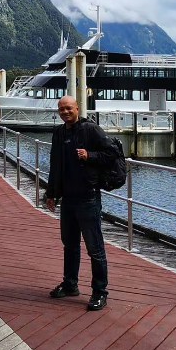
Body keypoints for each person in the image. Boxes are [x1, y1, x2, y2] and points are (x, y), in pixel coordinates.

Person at [45, 95, 115, 311]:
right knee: (70, 245)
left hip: (88, 197)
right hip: (68, 198)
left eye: (68, 108)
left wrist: (89, 156)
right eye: (61, 109)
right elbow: (55, 164)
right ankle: (70, 284)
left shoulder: (90, 130)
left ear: (77, 108)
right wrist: (51, 193)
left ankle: (100, 291)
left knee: (95, 248)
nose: (65, 112)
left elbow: (112, 154)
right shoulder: (59, 132)